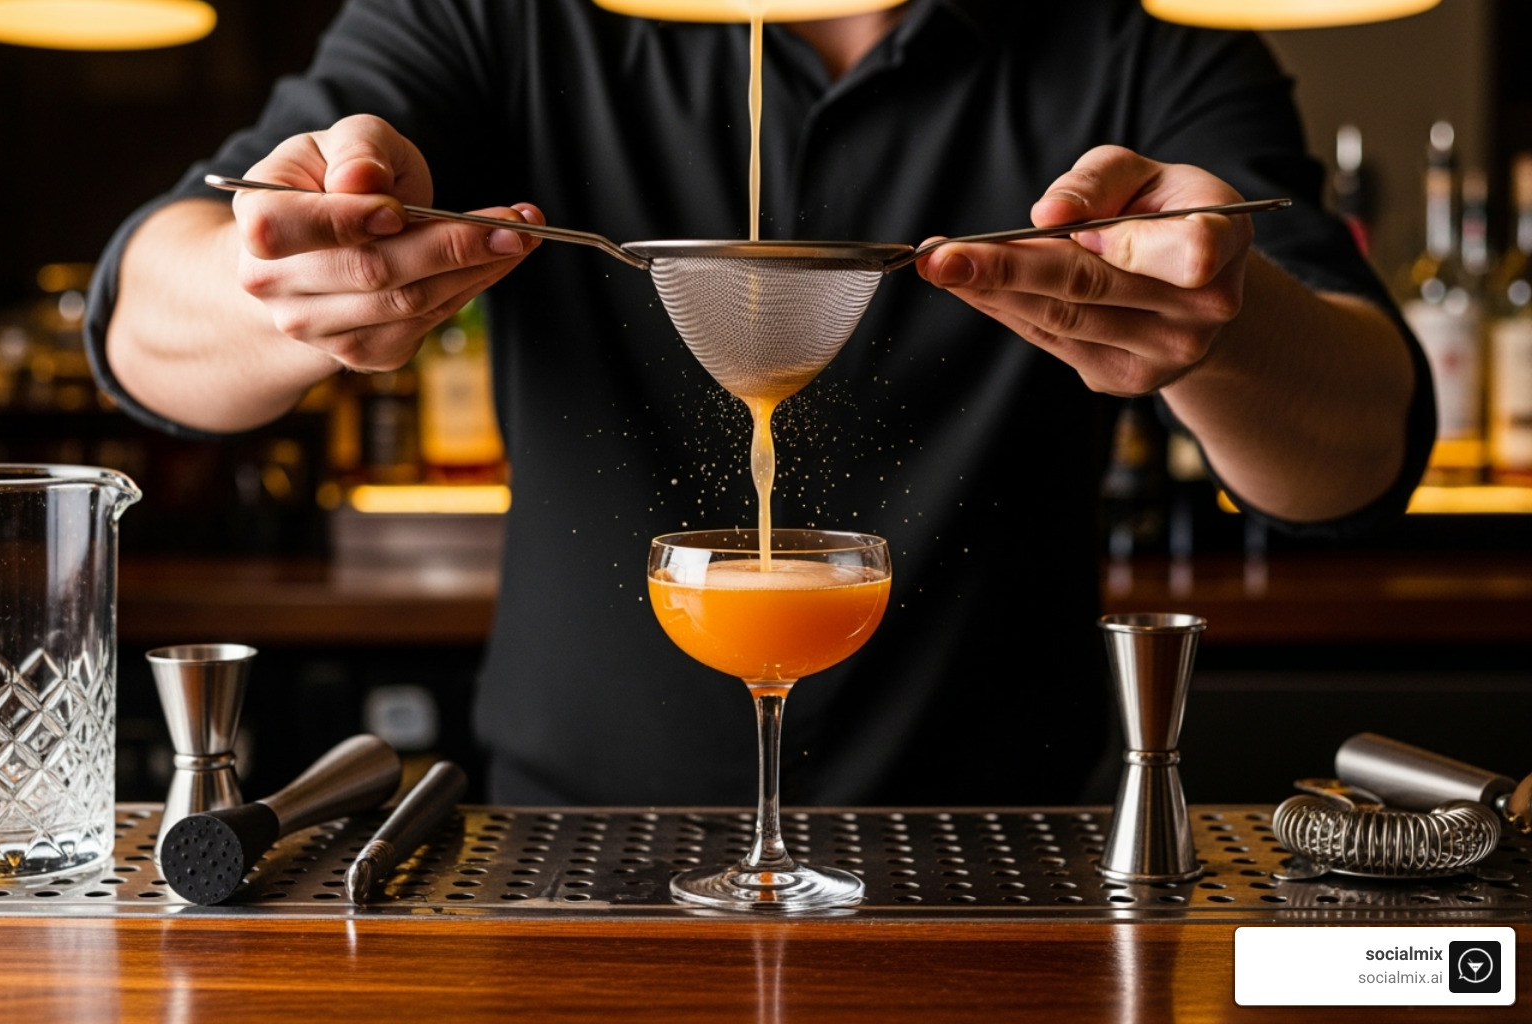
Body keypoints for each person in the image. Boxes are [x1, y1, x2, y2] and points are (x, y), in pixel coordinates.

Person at [86, 0, 1431, 807]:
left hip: (1008, 843)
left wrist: (1222, 325)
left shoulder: (1136, 37)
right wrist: (279, 284)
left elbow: (1360, 452)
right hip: (568, 846)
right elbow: (151, 321)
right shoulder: (499, 16)